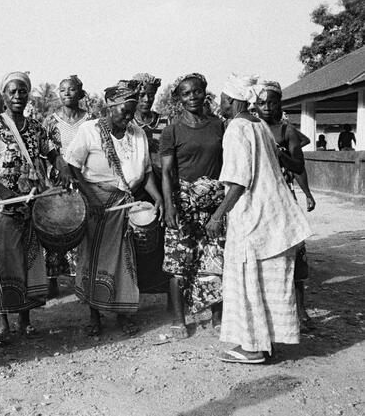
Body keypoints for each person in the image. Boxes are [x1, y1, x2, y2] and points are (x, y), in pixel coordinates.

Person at [209, 74, 313, 364]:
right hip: (272, 218)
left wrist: (218, 215)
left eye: (221, 99)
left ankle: (252, 347)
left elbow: (239, 182)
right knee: (268, 283)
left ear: (231, 101)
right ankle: (265, 344)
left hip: (253, 217)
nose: (219, 104)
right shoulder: (259, 126)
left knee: (248, 280)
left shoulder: (237, 128)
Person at [66, 79, 163, 336]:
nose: (129, 117)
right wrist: (92, 198)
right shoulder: (89, 131)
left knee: (125, 261)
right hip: (97, 204)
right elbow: (73, 167)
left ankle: (123, 314)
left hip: (125, 204)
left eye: (132, 111)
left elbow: (147, 173)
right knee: (94, 259)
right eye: (125, 111)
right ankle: (94, 316)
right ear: (110, 108)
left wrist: (158, 198)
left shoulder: (137, 134)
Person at [0, 71, 63, 344]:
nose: (17, 96)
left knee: (28, 262)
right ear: (4, 95)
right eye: (12, 92)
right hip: (6, 206)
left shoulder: (36, 127)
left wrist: (65, 172)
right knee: (4, 262)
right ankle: (4, 324)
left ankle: (25, 322)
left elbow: (53, 154)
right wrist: (4, 192)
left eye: (22, 91)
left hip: (31, 204)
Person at [160, 73, 225, 339]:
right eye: (186, 94)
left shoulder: (219, 125)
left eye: (197, 92)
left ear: (205, 93)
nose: (192, 97)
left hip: (214, 204)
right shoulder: (172, 130)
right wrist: (169, 205)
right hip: (183, 203)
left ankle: (217, 316)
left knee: (215, 258)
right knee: (178, 262)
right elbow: (166, 173)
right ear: (179, 98)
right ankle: (179, 320)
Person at [254, 80, 316, 331]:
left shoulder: (286, 131)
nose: (267, 107)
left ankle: (300, 311)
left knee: (294, 251)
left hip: (282, 197)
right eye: (261, 102)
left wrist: (307, 193)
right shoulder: (250, 127)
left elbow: (299, 167)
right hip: (258, 200)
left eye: (272, 102)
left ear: (279, 103)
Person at [43, 74, 92, 297]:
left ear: (79, 93)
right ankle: (53, 278)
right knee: (57, 225)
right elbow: (46, 153)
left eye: (71, 89)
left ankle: (79, 277)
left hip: (83, 175)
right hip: (59, 178)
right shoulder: (51, 120)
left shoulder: (90, 119)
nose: (66, 94)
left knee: (81, 223)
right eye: (62, 90)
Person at [130, 72, 169, 295]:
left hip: (160, 183)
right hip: (137, 187)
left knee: (158, 234)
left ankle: (157, 283)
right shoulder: (127, 122)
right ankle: (137, 284)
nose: (146, 99)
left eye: (150, 95)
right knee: (137, 234)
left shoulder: (164, 121)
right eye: (142, 95)